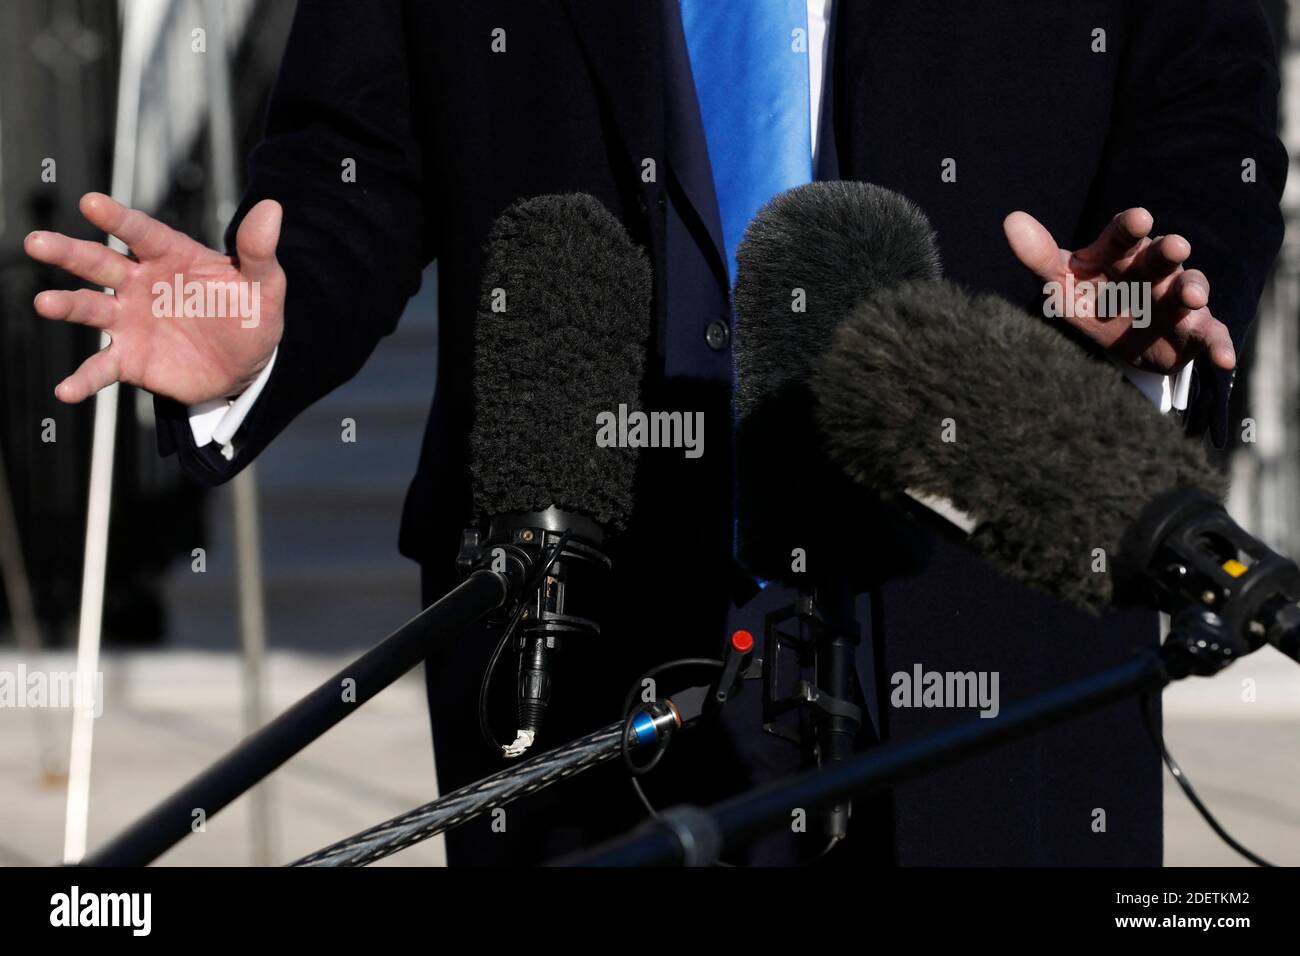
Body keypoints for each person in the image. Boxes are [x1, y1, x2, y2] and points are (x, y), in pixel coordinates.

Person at [25, 0, 1286, 866]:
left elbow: (1208, 106)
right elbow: (358, 149)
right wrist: (272, 313)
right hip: (570, 637)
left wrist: (1160, 281)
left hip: (992, 635)